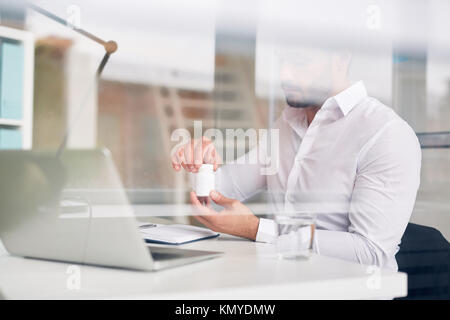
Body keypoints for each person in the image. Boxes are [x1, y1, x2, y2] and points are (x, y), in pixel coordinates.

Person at [171, 47, 421, 270]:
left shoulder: (385, 133)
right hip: (283, 282)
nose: (285, 76)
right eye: (282, 62)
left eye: (300, 62)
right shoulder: (287, 124)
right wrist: (202, 166)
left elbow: (370, 251)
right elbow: (214, 201)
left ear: (341, 58)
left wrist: (255, 229)